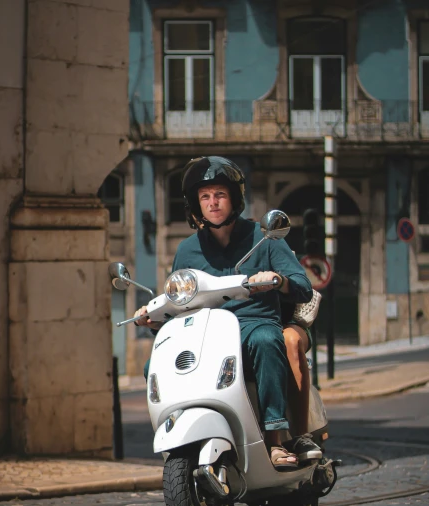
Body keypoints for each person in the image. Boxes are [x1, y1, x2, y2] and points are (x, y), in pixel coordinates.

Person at [134, 155, 313, 470]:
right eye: (205, 197)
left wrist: (278, 280)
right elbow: (178, 302)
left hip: (253, 324)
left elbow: (303, 286)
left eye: (219, 195)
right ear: (196, 205)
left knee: (268, 342)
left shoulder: (263, 238)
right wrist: (152, 318)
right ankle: (180, 438)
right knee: (154, 363)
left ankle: (275, 437)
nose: (213, 203)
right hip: (205, 333)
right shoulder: (187, 250)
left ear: (234, 199)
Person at [281, 303, 323, 462]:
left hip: (281, 319)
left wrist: (282, 283)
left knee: (290, 341)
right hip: (238, 321)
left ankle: (301, 435)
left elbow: (301, 284)